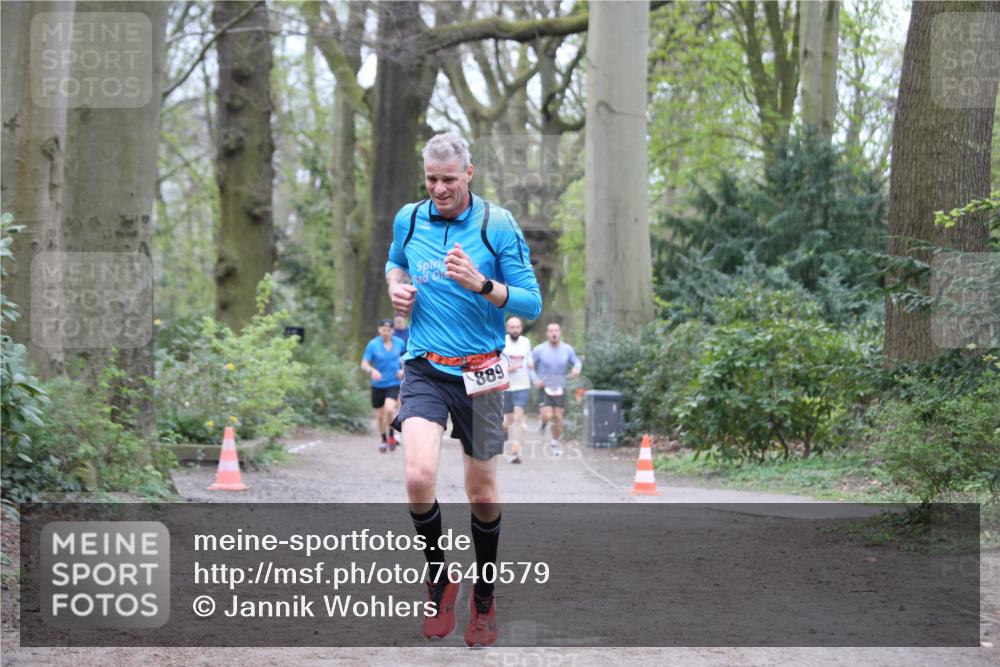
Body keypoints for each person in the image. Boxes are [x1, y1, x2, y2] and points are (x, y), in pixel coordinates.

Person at [386, 132, 541, 647]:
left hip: (483, 371)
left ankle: (485, 597)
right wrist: (396, 286)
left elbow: (531, 302)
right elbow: (394, 261)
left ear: (469, 174)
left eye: (449, 179)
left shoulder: (497, 224)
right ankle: (440, 579)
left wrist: (482, 284)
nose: (439, 189)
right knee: (417, 477)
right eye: (431, 179)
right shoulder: (409, 219)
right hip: (426, 367)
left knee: (483, 493)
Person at [531, 322, 582, 457]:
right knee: (547, 415)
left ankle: (554, 442)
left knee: (558, 417)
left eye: (556, 330)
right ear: (547, 334)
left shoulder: (567, 349)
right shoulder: (539, 349)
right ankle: (543, 423)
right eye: (551, 331)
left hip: (560, 387)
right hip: (544, 387)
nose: (554, 333)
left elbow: (577, 361)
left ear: (560, 333)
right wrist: (535, 380)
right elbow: (529, 366)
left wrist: (577, 368)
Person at [360, 318, 405, 453]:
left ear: (392, 331)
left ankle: (391, 435)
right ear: (379, 330)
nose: (385, 333)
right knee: (380, 416)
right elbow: (364, 364)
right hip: (378, 385)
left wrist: (403, 370)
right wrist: (372, 370)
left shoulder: (400, 343)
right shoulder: (373, 344)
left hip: (393, 383)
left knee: (390, 410)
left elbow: (408, 359)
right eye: (383, 330)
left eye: (388, 330)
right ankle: (384, 439)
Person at [501, 316, 532, 464]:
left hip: (522, 384)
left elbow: (529, 360)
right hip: (506, 385)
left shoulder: (526, 342)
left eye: (517, 327)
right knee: (506, 420)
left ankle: (515, 450)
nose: (515, 330)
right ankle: (505, 432)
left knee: (518, 417)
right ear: (507, 328)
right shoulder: (502, 341)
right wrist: (507, 368)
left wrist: (532, 366)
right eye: (512, 327)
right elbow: (495, 362)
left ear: (521, 328)